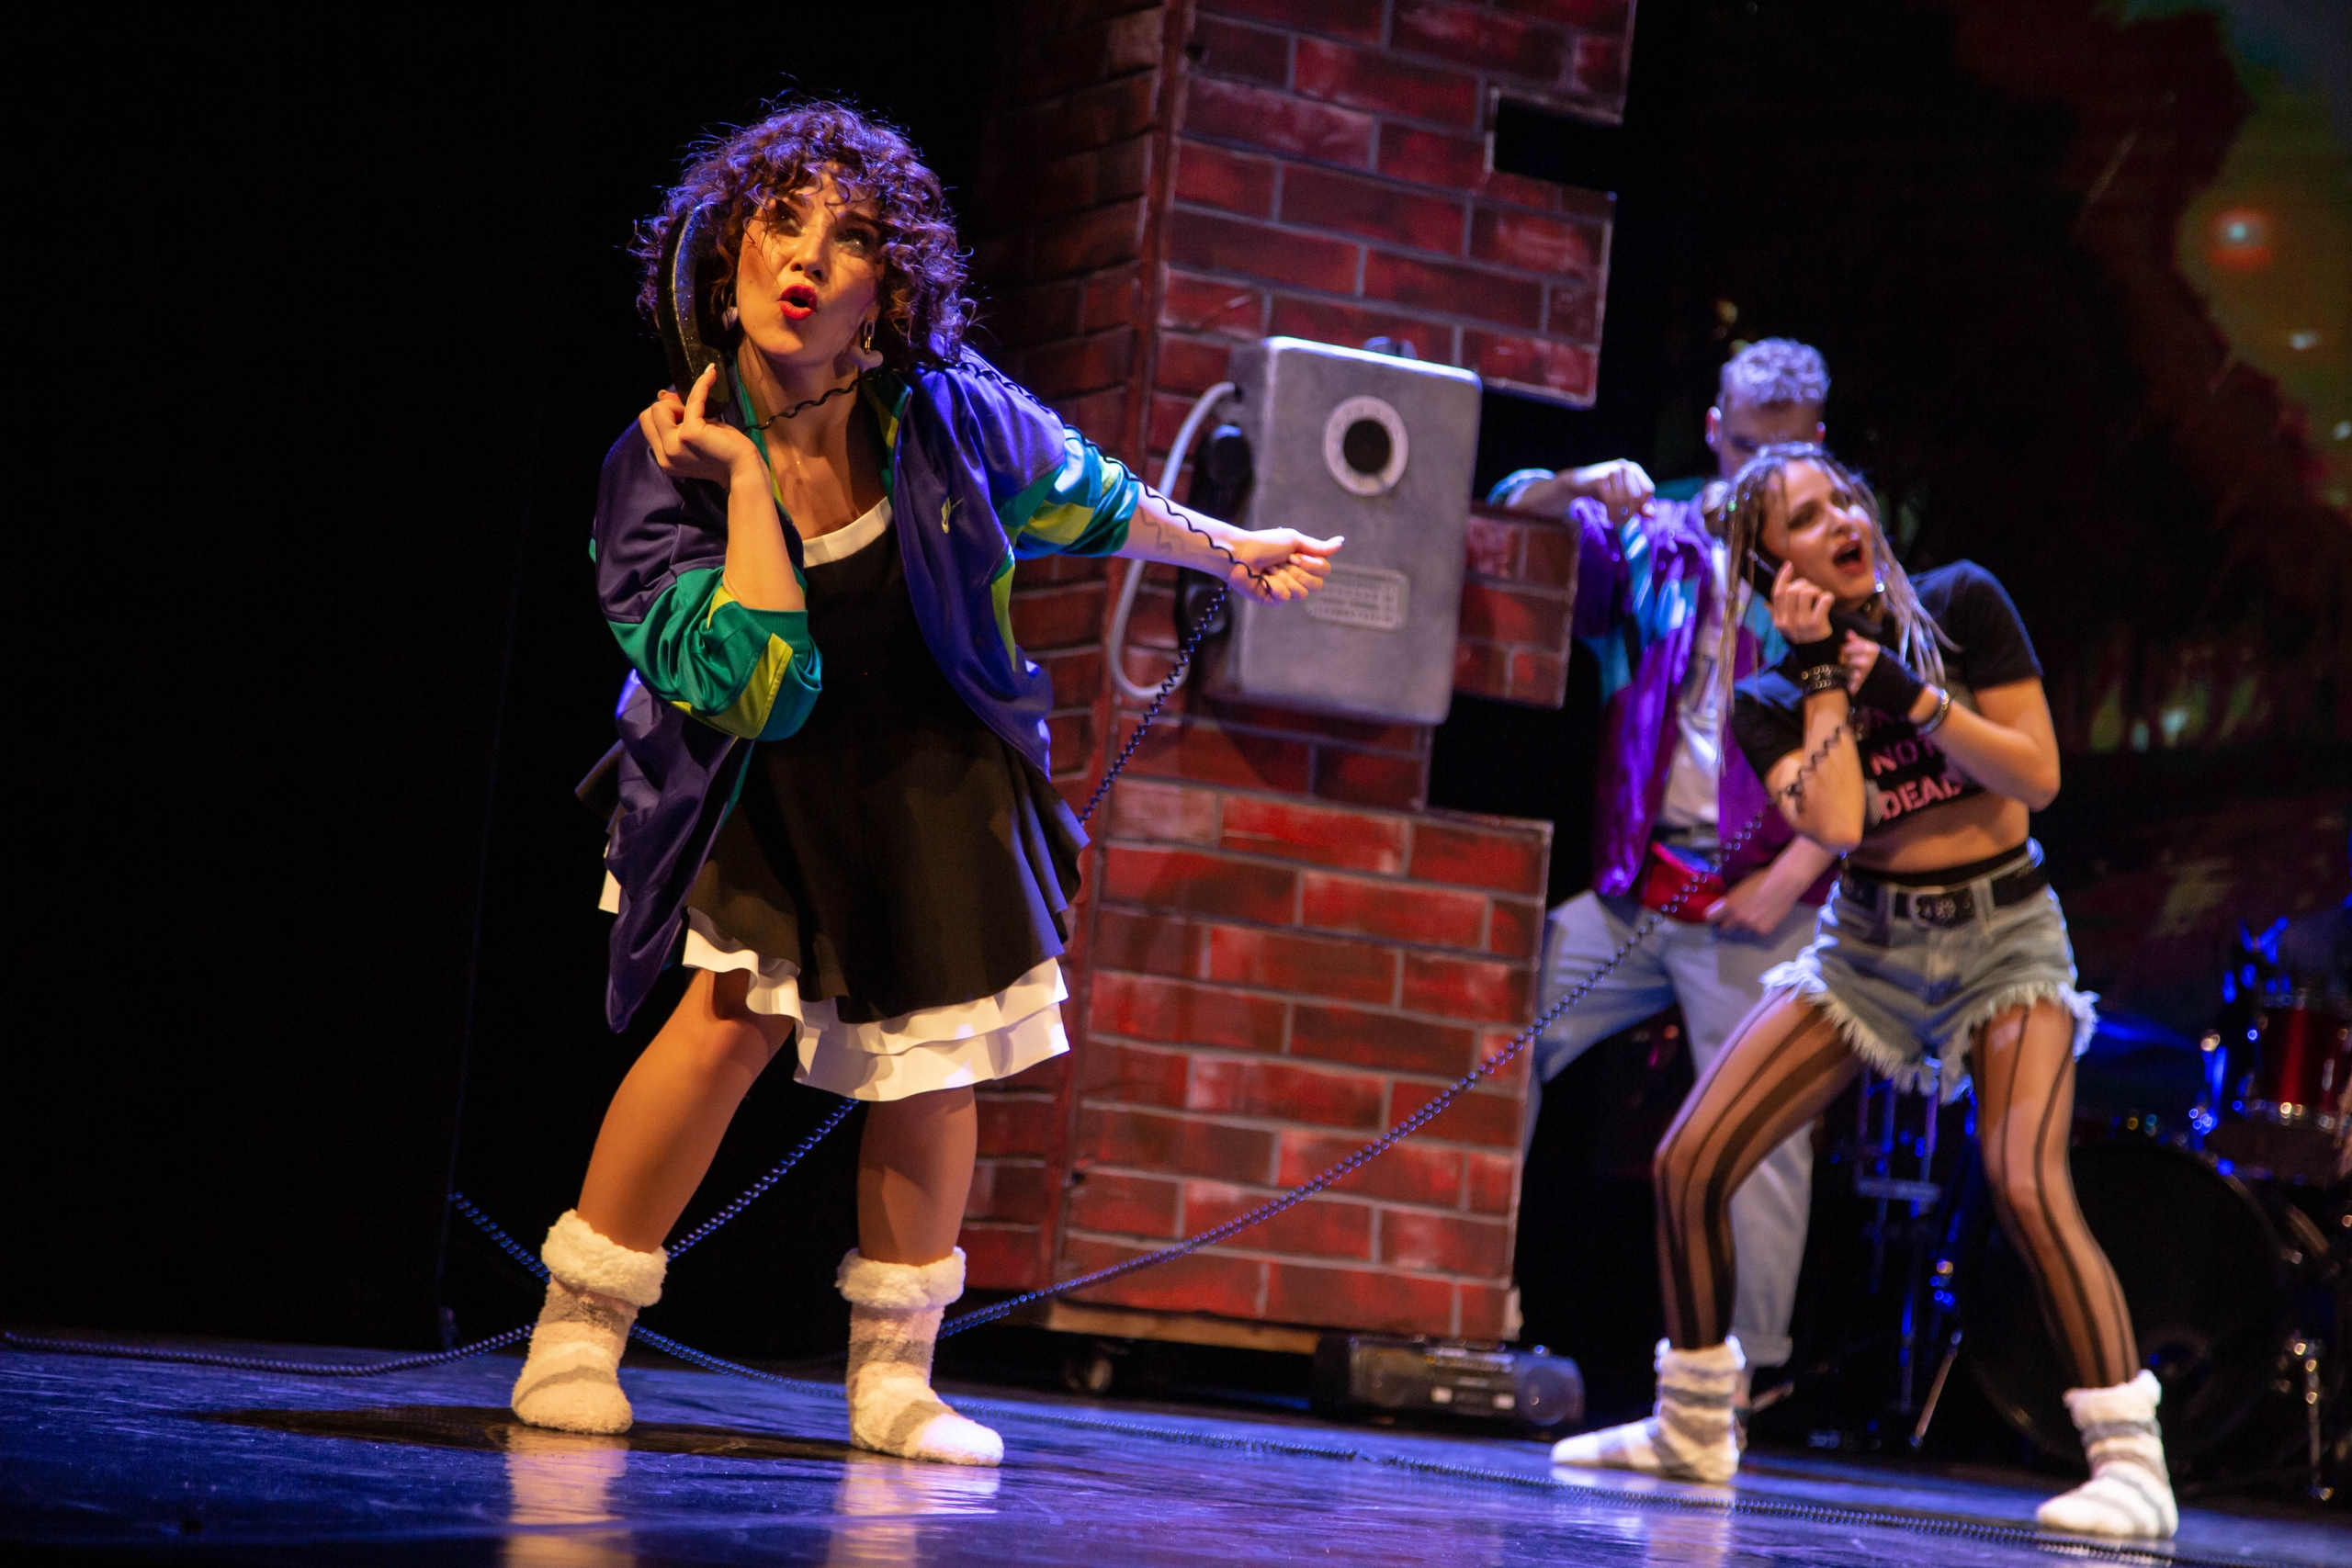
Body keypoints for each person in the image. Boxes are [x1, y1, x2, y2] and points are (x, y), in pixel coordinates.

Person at [505, 102, 1340, 1467]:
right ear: (728, 250)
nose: (806, 259)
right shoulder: (658, 471)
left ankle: (896, 1379)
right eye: (783, 223)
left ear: (886, 294)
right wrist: (751, 487)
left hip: (932, 766)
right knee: (728, 1018)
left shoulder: (945, 415)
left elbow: (1088, 495)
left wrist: (1228, 547)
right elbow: (756, 689)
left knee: (938, 1053)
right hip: (756, 778)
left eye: (848, 240)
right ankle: (577, 1332)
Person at [1552, 444, 2177, 1541]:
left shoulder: (1960, 606)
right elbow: (1840, 822)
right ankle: (1693, 1421)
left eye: (1842, 496)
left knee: (2023, 1182)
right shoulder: (1766, 699)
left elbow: (2033, 776)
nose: (1841, 516)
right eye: (1804, 516)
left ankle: (2132, 1466)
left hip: (2001, 936)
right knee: (1690, 1163)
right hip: (1867, 950)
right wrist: (1825, 678)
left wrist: (1915, 698)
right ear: (1772, 568)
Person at [1488, 340, 1840, 1385]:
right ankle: (1470, 1292)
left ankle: (1744, 1377)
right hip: (1639, 889)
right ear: (1713, 432)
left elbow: (1875, 746)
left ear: (1815, 448)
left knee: (1763, 1128)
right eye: (1743, 447)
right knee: (1498, 1034)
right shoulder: (1664, 534)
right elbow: (1508, 506)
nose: (1756, 471)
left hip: (1759, 899)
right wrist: (1580, 481)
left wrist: (1788, 879)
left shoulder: (1840, 563)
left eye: (1781, 454)